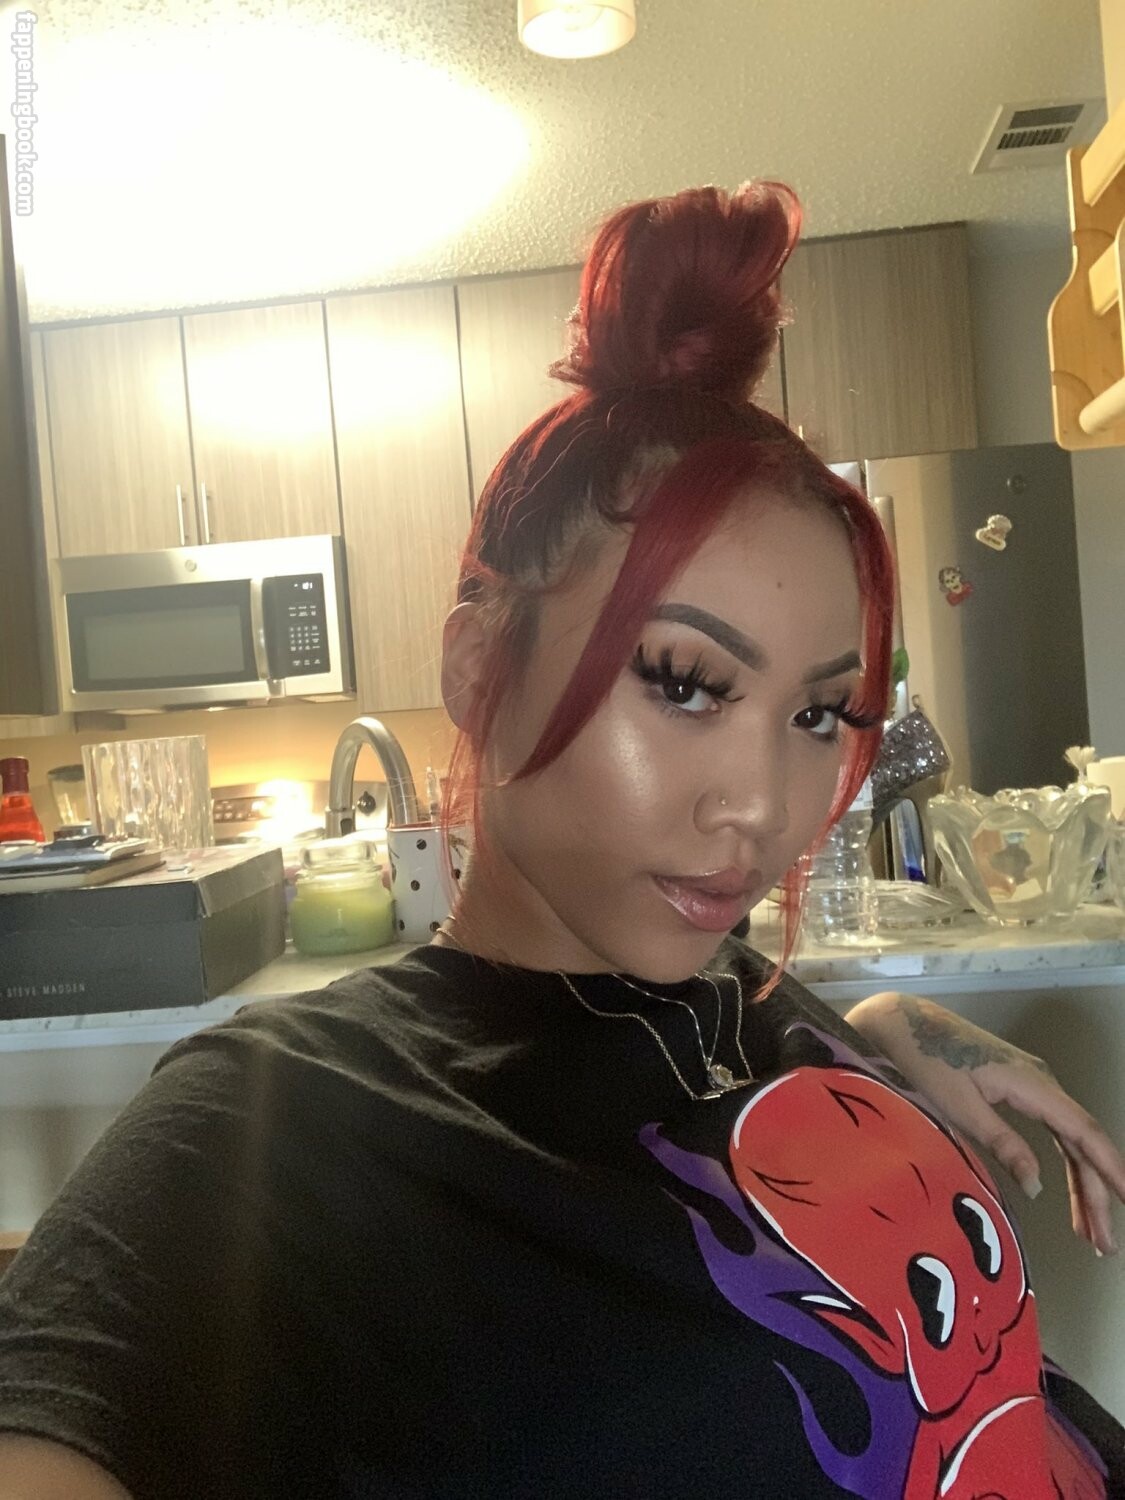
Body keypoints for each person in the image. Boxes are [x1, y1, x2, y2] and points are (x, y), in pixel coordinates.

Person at [0, 182, 1123, 1500]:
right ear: (479, 670)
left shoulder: (727, 992)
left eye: (819, 713)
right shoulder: (272, 1125)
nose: (760, 806)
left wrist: (868, 1034)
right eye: (686, 683)